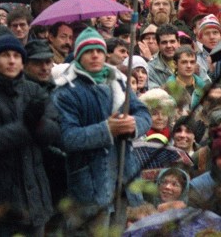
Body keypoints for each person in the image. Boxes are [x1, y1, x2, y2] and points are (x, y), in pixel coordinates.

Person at [53, 27, 151, 224]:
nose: (95, 55)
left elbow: (143, 112)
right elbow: (67, 137)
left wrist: (133, 125)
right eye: (89, 51)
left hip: (124, 177)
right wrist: (107, 130)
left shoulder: (118, 81)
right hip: (90, 186)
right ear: (79, 55)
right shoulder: (66, 91)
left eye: (99, 50)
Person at [0, 34, 61, 237]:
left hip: (35, 196)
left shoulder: (35, 90)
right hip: (2, 200)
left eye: (16, 56)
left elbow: (54, 131)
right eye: (5, 55)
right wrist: (27, 126)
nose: (11, 61)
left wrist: (38, 124)